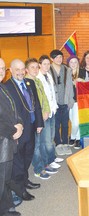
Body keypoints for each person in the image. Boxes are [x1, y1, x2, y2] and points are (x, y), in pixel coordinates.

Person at [5, 59, 43, 201]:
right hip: (19, 130)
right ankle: (20, 189)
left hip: (32, 126)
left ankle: (25, 180)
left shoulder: (29, 82)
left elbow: (36, 104)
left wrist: (39, 122)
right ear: (11, 70)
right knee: (18, 160)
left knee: (28, 155)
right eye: (17, 69)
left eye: (22, 69)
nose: (21, 72)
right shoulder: (7, 87)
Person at [25, 58, 58, 180]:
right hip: (34, 120)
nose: (35, 69)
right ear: (26, 70)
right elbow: (32, 105)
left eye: (36, 67)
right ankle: (38, 169)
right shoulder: (26, 83)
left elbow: (44, 98)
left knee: (44, 143)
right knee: (37, 145)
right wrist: (39, 118)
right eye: (32, 67)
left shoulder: (37, 81)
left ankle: (45, 164)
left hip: (43, 116)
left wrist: (47, 111)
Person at [0, 58, 23, 216]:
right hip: (3, 140)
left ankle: (6, 207)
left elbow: (15, 109)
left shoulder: (3, 86)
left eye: (2, 68)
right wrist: (12, 131)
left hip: (9, 141)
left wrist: (20, 124)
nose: (1, 71)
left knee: (5, 178)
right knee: (1, 179)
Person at [37, 55, 63, 170]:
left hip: (52, 110)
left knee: (52, 136)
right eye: (44, 64)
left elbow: (52, 93)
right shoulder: (38, 78)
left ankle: (52, 156)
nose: (47, 66)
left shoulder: (48, 75)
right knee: (46, 139)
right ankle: (49, 160)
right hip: (45, 113)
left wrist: (55, 107)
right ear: (39, 65)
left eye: (48, 64)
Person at [49, 50, 74, 152]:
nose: (59, 59)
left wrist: (70, 100)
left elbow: (70, 86)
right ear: (52, 59)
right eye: (56, 57)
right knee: (55, 125)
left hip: (65, 101)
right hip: (54, 103)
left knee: (65, 124)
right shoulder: (48, 70)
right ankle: (58, 143)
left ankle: (65, 142)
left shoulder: (67, 69)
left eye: (60, 57)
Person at [67, 55, 81, 149]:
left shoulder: (82, 73)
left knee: (76, 123)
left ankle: (74, 138)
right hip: (68, 101)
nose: (73, 64)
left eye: (75, 62)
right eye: (71, 62)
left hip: (79, 101)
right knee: (72, 121)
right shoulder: (66, 73)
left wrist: (81, 81)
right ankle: (76, 138)